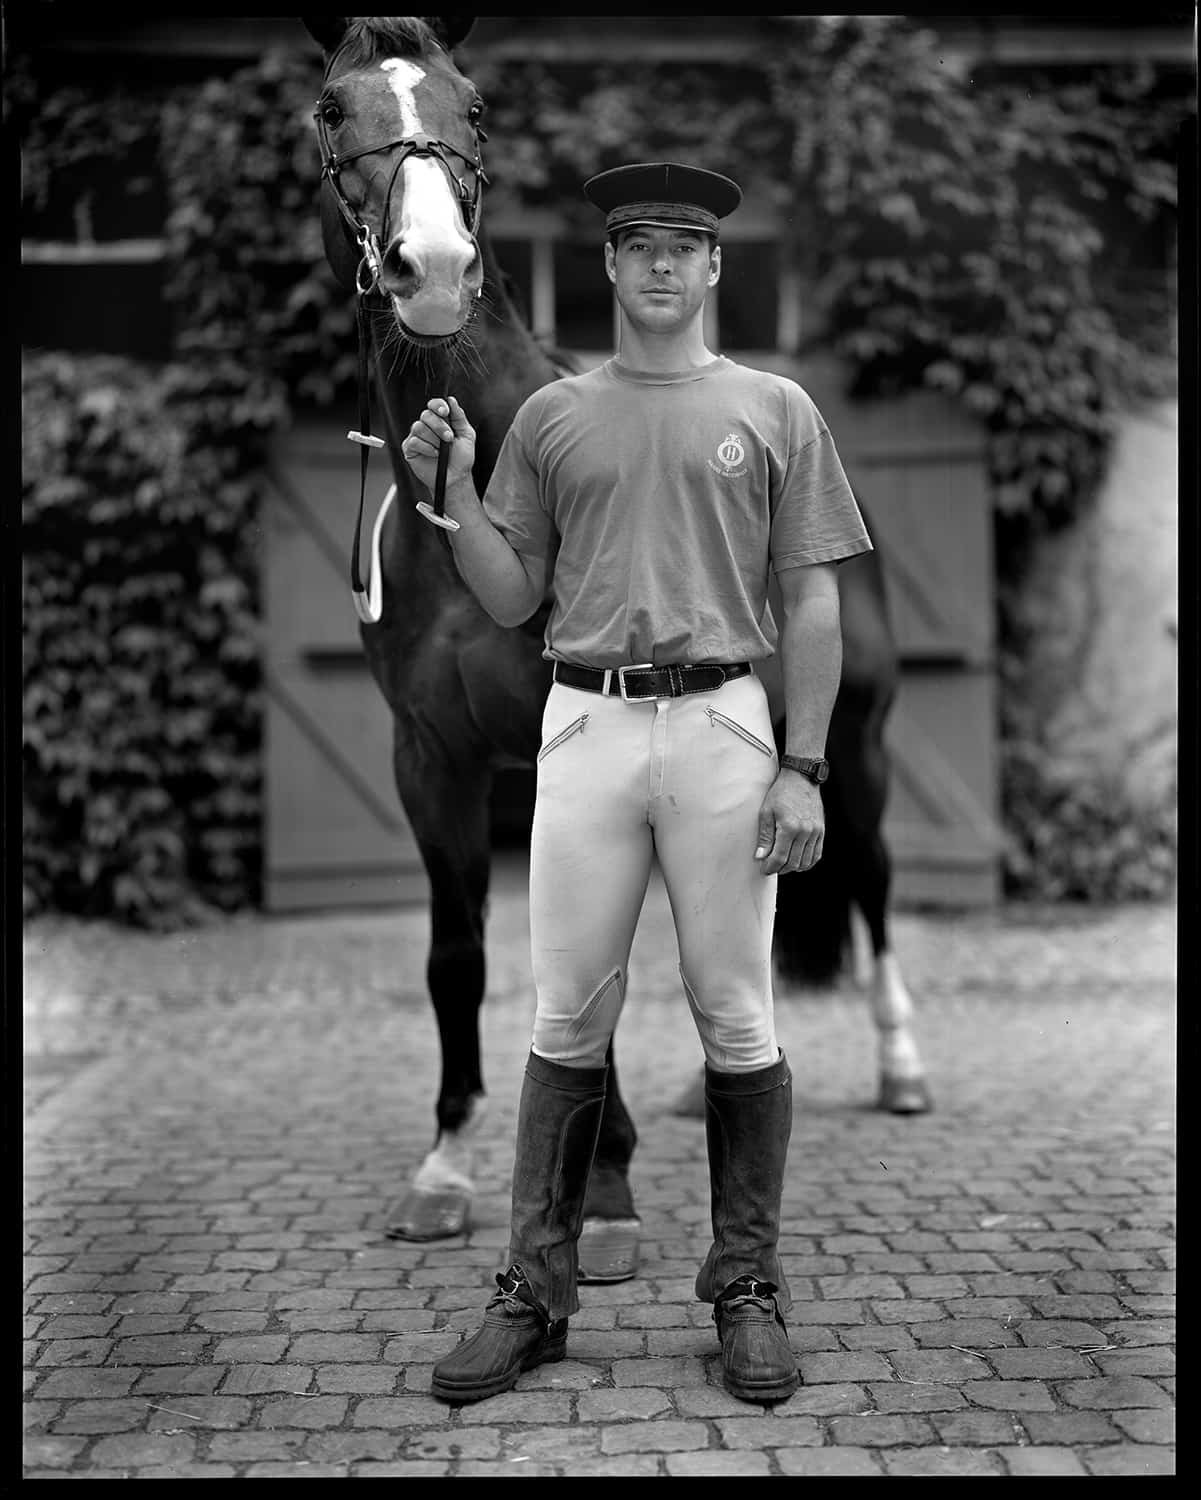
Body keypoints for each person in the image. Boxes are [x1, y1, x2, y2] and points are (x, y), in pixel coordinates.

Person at [404, 162, 873, 1406]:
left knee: (736, 1016)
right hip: (586, 726)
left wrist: (805, 768)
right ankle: (535, 1293)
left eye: (685, 246)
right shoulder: (558, 417)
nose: (662, 264)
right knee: (566, 1017)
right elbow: (512, 596)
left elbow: (812, 597)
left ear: (715, 269)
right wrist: (454, 501)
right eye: (639, 246)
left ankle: (747, 1286)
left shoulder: (776, 409)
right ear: (609, 269)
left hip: (724, 723)